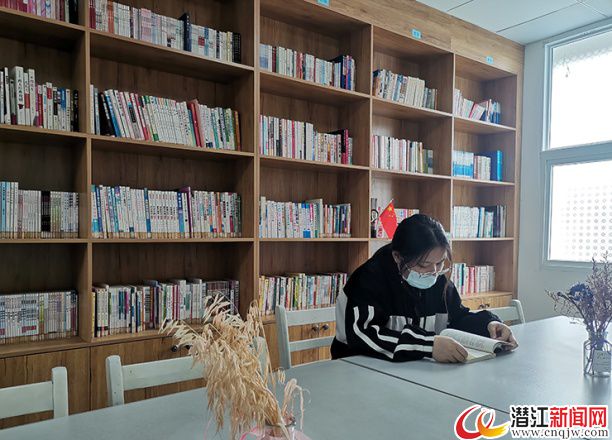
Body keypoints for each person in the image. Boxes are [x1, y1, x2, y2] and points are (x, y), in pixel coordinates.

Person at [331, 214, 518, 363]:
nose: (433, 272)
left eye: (440, 262)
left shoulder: (438, 279)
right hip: (359, 370)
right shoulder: (369, 279)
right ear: (398, 257)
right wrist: (427, 346)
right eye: (423, 265)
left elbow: (457, 318)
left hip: (416, 371)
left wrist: (488, 325)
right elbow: (363, 335)